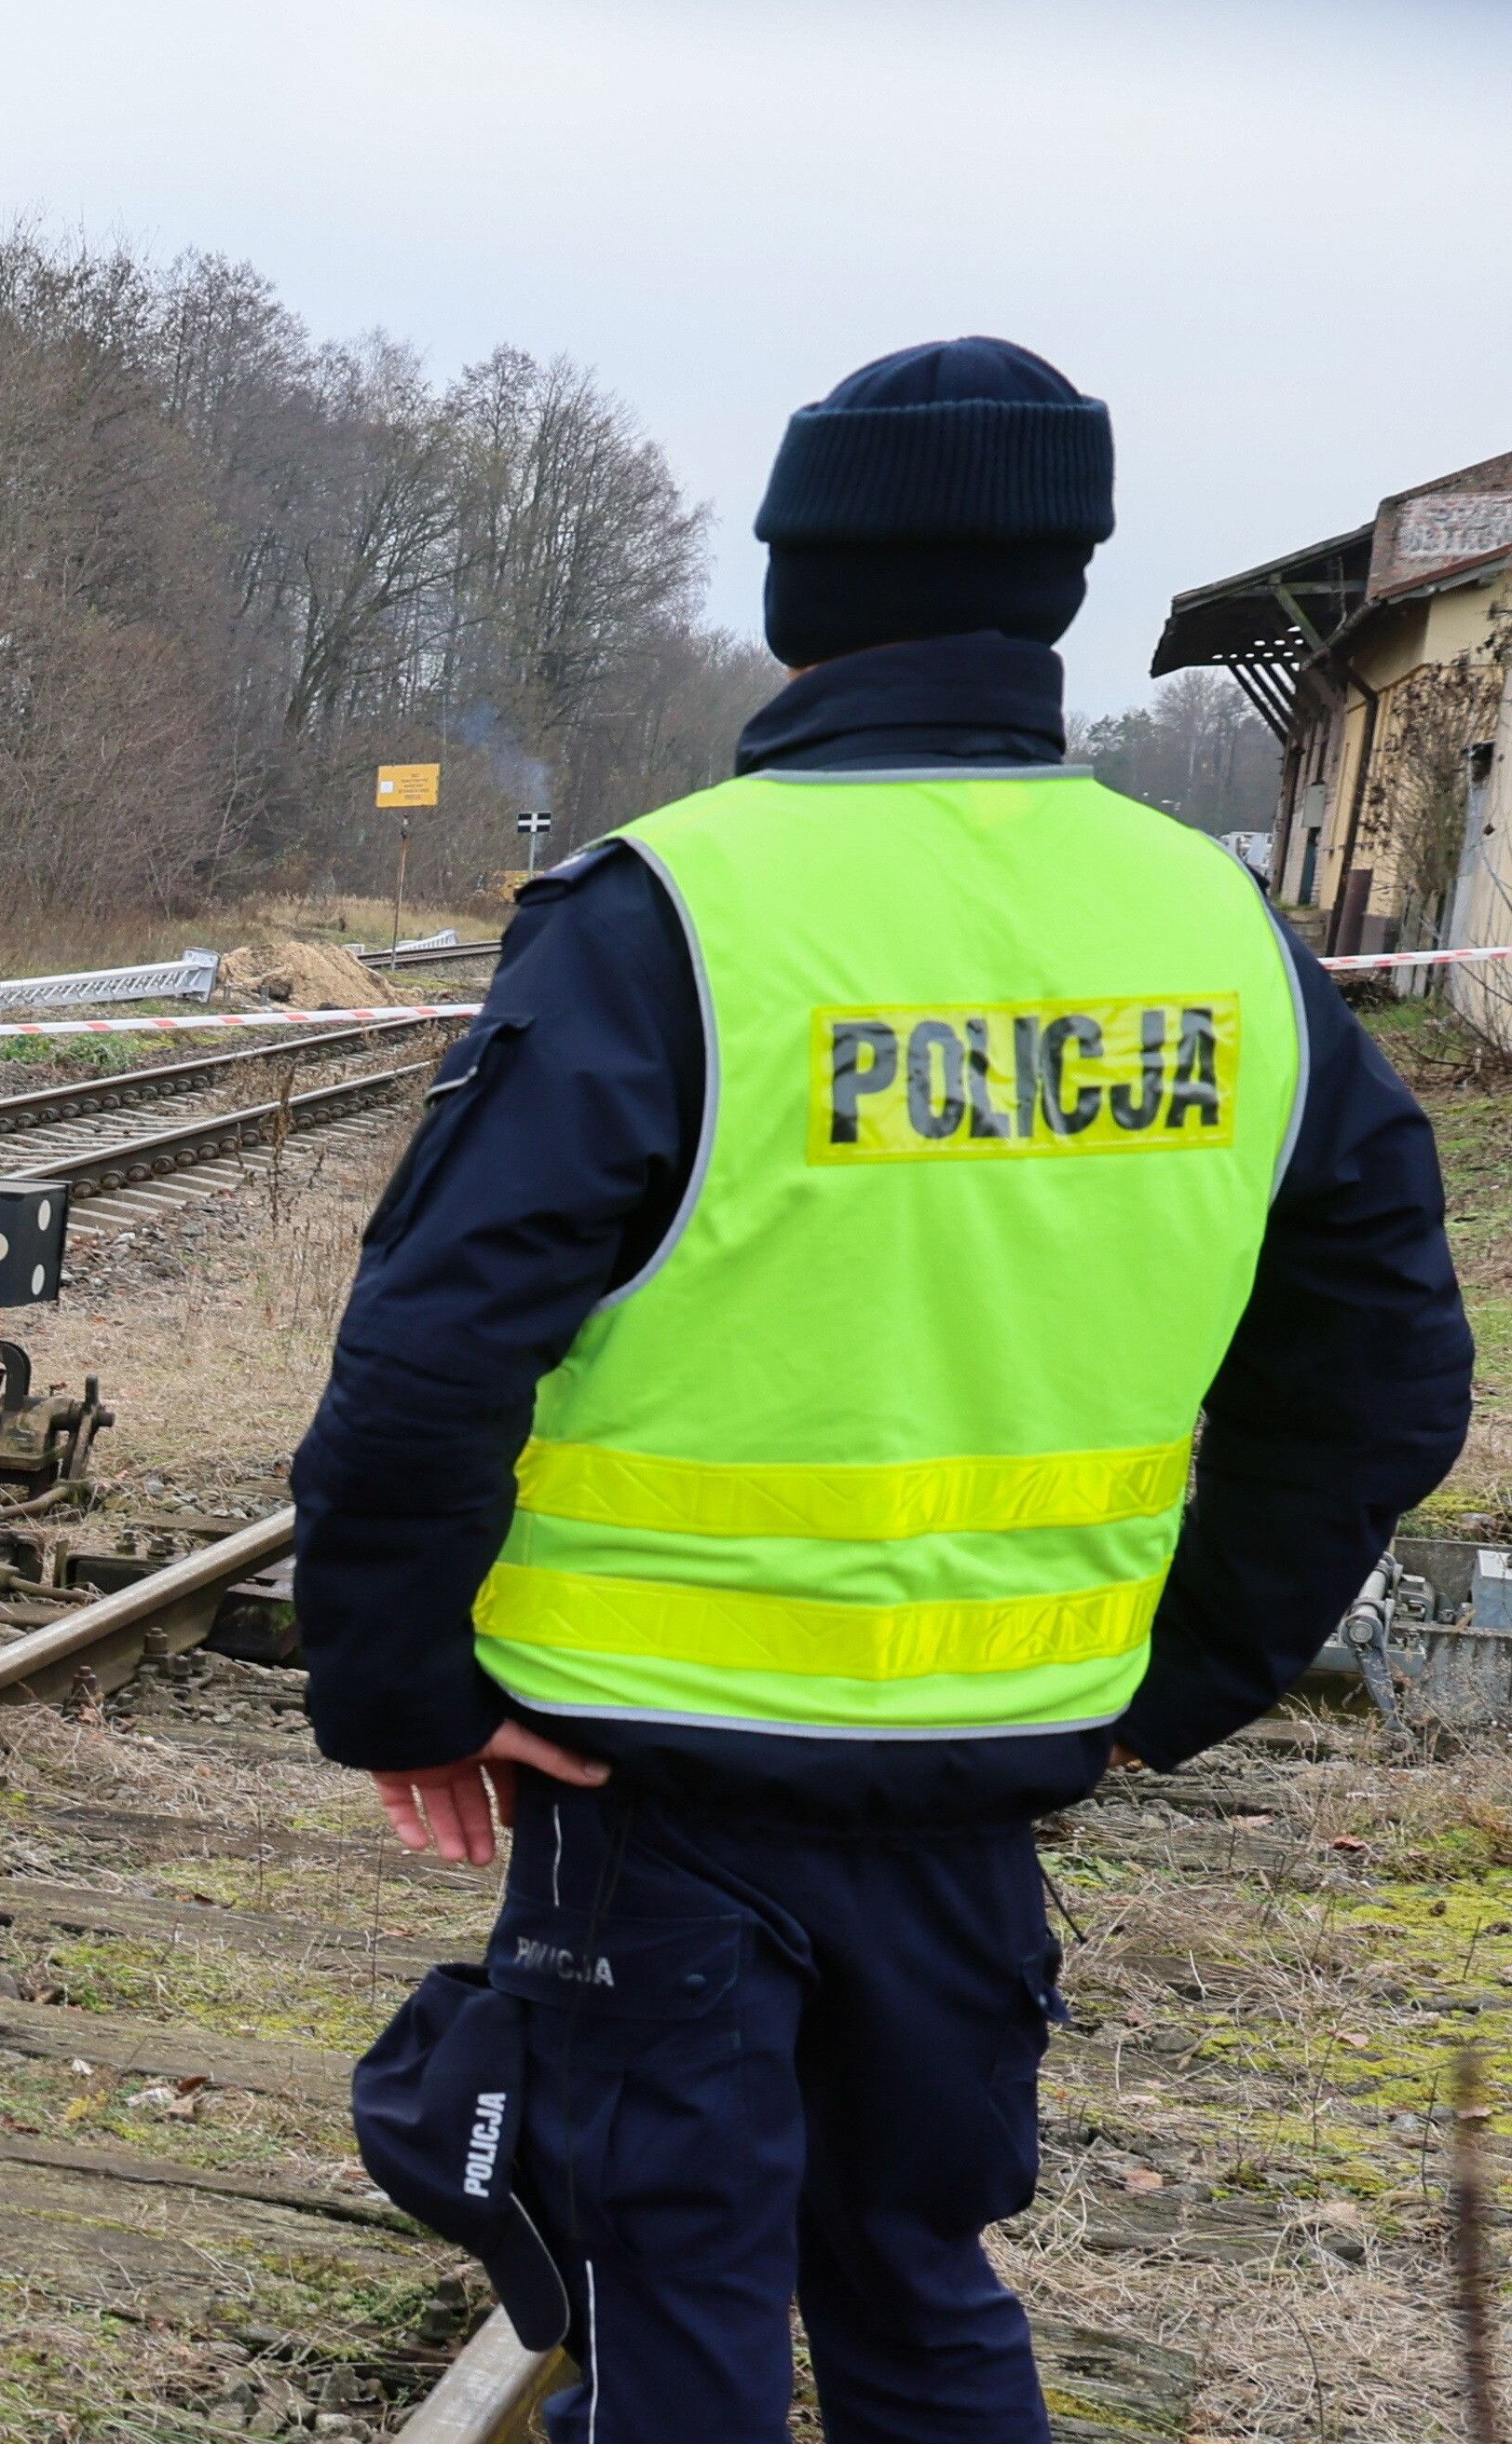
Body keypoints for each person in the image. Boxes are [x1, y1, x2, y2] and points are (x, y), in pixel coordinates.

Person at [295, 336, 1473, 2441]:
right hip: (988, 1785)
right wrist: (1168, 1679)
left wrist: (397, 1679)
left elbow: (431, 1345)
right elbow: (1387, 1373)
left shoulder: (671, 915)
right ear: (1060, 589)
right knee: (921, 2290)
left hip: (651, 1794)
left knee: (672, 2316)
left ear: (795, 587)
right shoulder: (1221, 934)